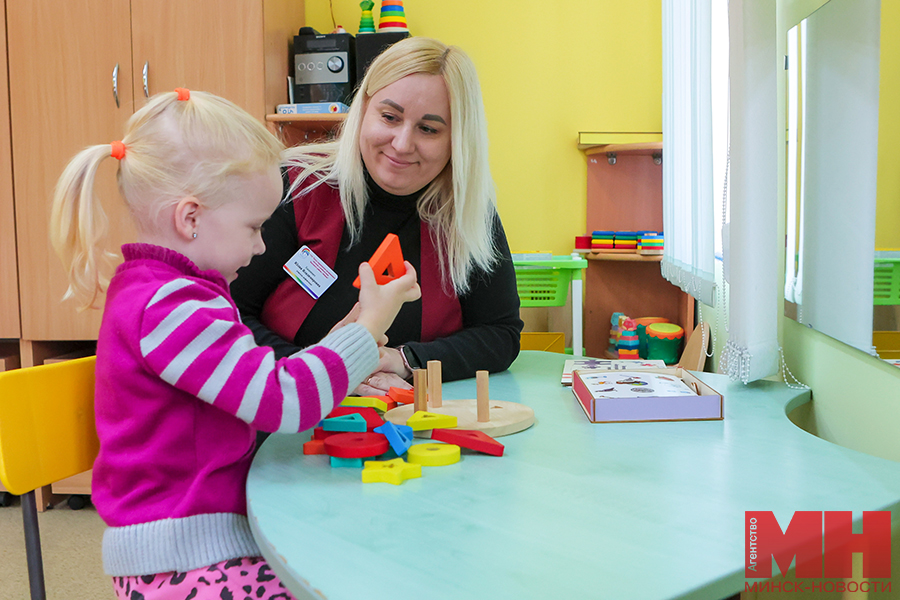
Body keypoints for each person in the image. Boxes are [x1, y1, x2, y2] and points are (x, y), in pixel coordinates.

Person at [49, 89, 420, 600]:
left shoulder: (170, 292)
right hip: (187, 555)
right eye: (254, 226)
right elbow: (283, 401)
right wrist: (365, 328)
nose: (263, 244)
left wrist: (357, 327)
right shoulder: (170, 307)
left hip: (200, 538)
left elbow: (254, 377)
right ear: (191, 218)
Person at [231, 37, 523, 397]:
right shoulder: (294, 186)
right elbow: (229, 315)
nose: (402, 143)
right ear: (363, 109)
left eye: (428, 129)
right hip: (286, 410)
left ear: (458, 139)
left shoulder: (467, 211)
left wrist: (403, 360)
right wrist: (321, 372)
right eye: (390, 117)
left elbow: (500, 334)